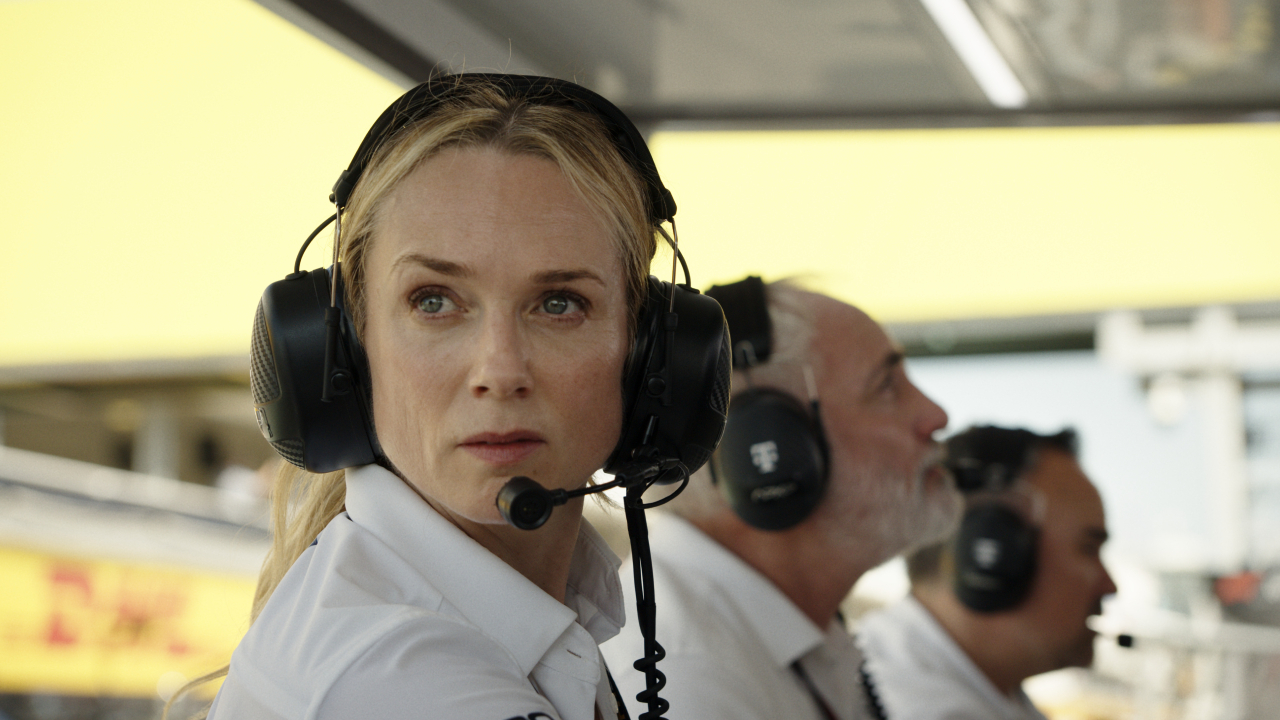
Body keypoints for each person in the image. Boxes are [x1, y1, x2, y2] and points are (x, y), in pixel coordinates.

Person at [188, 74, 727, 720]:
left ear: (648, 356)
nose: (500, 371)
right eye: (433, 302)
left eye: (560, 304)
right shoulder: (388, 674)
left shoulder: (517, 613)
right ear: (349, 350)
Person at [602, 276, 962, 719]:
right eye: (886, 386)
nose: (936, 415)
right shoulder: (689, 677)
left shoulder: (780, 640)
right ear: (762, 444)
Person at [858, 425, 1118, 720]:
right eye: (1089, 548)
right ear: (992, 552)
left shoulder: (990, 695)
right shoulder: (913, 709)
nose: (1110, 586)